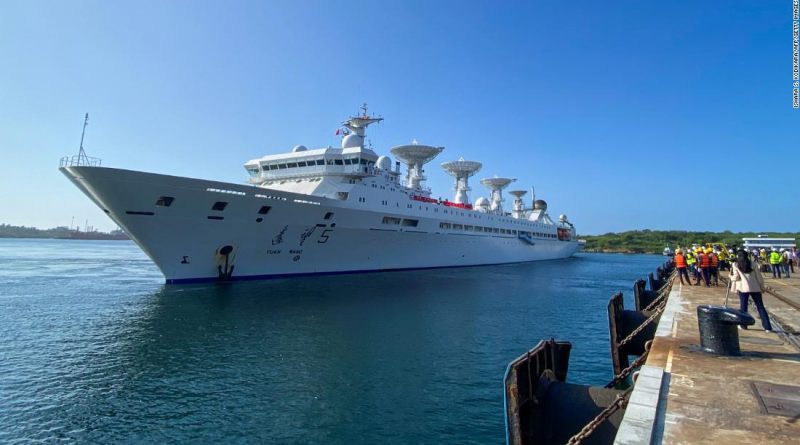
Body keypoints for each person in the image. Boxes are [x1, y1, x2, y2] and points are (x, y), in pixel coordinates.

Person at [730, 249, 772, 332]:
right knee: (760, 307)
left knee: (743, 307)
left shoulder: (735, 264)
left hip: (743, 288)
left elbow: (736, 277)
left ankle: (743, 325)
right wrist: (762, 286)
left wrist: (730, 277)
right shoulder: (753, 264)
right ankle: (767, 327)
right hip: (755, 288)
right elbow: (759, 277)